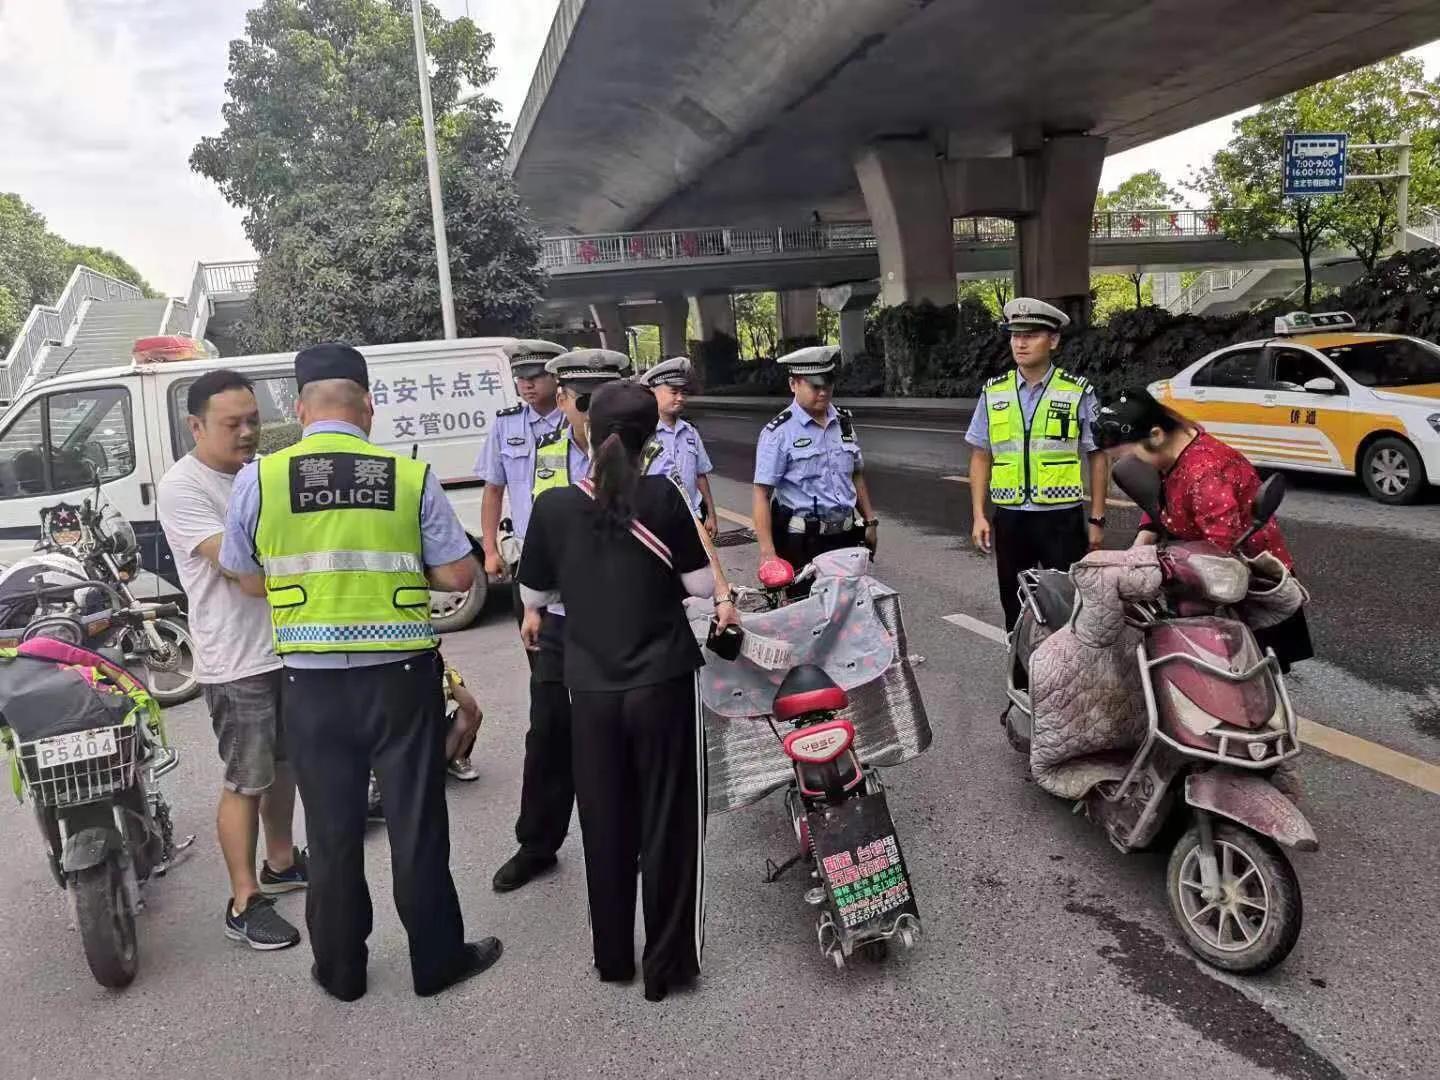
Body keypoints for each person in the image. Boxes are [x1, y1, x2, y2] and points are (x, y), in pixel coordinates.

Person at [220, 342, 497, 1002]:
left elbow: (244, 576)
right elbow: (459, 576)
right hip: (400, 676)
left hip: (309, 684)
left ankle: (341, 971)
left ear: (299, 406)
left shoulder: (258, 479)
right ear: (368, 405)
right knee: (415, 823)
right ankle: (436, 961)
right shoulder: (408, 476)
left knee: (334, 830)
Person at [517, 380, 737, 1002]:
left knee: (605, 823)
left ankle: (612, 957)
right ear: (651, 439)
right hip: (662, 683)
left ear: (586, 430)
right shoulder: (663, 495)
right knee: (669, 823)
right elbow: (698, 585)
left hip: (589, 690)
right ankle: (666, 967)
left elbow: (536, 596)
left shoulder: (556, 507)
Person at [157, 369, 307, 953]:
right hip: (235, 659)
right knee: (247, 778)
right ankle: (244, 901)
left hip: (285, 646)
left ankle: (282, 861)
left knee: (285, 764)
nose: (248, 432)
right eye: (232, 423)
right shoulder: (184, 487)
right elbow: (241, 567)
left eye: (253, 420)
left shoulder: (256, 474)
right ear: (196, 425)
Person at [491, 347, 633, 894]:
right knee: (549, 729)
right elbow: (541, 539)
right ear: (567, 401)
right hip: (555, 614)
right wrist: (531, 604)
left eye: (607, 397)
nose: (593, 410)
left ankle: (631, 839)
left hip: (623, 615)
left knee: (626, 730)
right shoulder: (545, 452)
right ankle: (538, 844)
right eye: (584, 399)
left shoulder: (649, 453)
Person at [1094, 387, 1314, 670]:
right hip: (1193, 552)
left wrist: (1160, 570)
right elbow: (1163, 495)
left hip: (1238, 572)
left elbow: (1220, 553)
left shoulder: (1205, 474)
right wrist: (1143, 540)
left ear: (1156, 435)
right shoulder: (1177, 440)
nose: (1132, 464)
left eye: (1132, 455)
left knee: (1248, 673)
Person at [966, 297, 1109, 631]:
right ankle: (1021, 677)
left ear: (1054, 340)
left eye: (1031, 334)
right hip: (1011, 518)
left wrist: (1098, 518)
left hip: (1060, 519)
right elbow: (980, 455)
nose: (1020, 342)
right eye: (1015, 335)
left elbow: (1099, 455)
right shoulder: (993, 393)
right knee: (1013, 605)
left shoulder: (1077, 392)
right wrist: (978, 515)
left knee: (1069, 606)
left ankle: (1068, 677)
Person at [752, 345, 878, 582]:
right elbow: (761, 493)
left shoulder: (843, 422)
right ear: (793, 384)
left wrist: (870, 521)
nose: (823, 392)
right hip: (802, 543)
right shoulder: (778, 432)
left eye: (828, 385)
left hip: (845, 537)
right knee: (804, 614)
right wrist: (768, 553)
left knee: (848, 610)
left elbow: (856, 475)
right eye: (815, 386)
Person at [477, 339, 570, 627]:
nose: (527, 385)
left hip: (574, 548)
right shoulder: (506, 425)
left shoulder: (575, 422)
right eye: (521, 378)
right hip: (526, 552)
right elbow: (493, 490)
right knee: (534, 637)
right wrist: (490, 550)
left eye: (535, 377)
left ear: (556, 378)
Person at [636, 356, 718, 537]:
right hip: (656, 523)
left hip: (692, 518)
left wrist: (711, 515)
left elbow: (700, 475)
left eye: (684, 392)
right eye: (674, 392)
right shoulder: (642, 434)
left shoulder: (690, 432)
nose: (680, 398)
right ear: (653, 392)